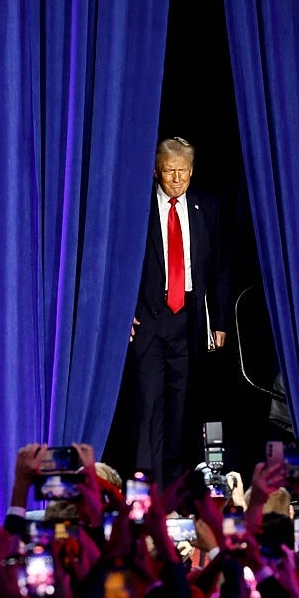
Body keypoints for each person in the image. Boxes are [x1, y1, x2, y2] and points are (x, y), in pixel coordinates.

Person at [104, 137, 229, 483]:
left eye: (183, 172)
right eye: (170, 171)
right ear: (156, 171)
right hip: (148, 318)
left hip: (187, 320)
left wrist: (218, 321)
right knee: (149, 407)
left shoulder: (208, 208)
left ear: (192, 172)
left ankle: (172, 490)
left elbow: (219, 268)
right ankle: (148, 490)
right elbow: (116, 263)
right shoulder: (137, 209)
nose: (176, 179)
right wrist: (120, 311)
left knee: (179, 409)